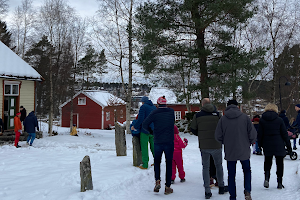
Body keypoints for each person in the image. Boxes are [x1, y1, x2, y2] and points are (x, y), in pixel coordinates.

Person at [215, 99, 257, 200]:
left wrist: (225, 142)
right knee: (247, 170)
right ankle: (247, 191)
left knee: (231, 174)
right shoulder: (245, 118)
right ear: (237, 106)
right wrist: (250, 142)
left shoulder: (223, 119)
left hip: (230, 150)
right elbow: (252, 133)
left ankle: (232, 196)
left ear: (227, 106)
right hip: (244, 149)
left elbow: (217, 135)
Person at [191, 98, 226, 199]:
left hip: (204, 145)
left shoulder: (197, 115)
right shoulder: (218, 114)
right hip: (216, 144)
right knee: (218, 165)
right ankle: (221, 186)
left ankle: (207, 191)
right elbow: (223, 128)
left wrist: (201, 134)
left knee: (205, 167)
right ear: (210, 104)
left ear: (202, 104)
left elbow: (193, 129)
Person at [143, 96, 175, 195]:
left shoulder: (154, 113)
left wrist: (152, 132)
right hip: (169, 141)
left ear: (157, 104)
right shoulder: (171, 111)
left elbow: (145, 124)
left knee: (157, 162)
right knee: (169, 163)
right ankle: (168, 186)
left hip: (158, 141)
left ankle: (157, 181)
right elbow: (172, 122)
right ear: (166, 103)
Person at [258, 104, 292, 189]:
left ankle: (266, 178)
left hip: (267, 144)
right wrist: (289, 146)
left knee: (268, 162)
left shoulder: (262, 120)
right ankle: (279, 182)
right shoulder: (279, 120)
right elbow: (284, 134)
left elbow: (260, 134)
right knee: (280, 163)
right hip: (279, 144)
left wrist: (260, 145)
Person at [131, 96, 156, 169]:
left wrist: (134, 126)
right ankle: (157, 161)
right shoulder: (154, 107)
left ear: (143, 102)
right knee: (153, 147)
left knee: (144, 147)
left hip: (145, 130)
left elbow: (140, 119)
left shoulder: (143, 107)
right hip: (153, 130)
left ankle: (145, 164)